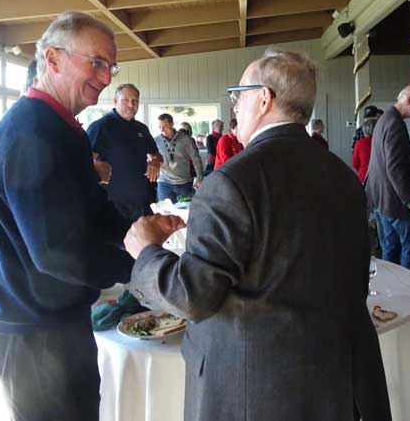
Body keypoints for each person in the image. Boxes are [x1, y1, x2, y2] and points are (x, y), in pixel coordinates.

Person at [125, 50, 391, 421]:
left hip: (258, 389)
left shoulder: (232, 181)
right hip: (340, 380)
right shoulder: (342, 175)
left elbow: (193, 296)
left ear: (264, 98)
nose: (235, 105)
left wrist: (146, 251)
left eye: (239, 95)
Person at [0, 12, 135, 421]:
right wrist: (139, 267)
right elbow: (57, 252)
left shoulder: (63, 128)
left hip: (58, 314)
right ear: (52, 58)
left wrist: (138, 231)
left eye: (110, 67)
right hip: (33, 328)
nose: (105, 78)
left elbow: (91, 210)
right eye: (96, 63)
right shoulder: (30, 133)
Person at [366, 85, 410, 275]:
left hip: (380, 200)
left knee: (389, 248)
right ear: (408, 100)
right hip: (395, 202)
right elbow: (395, 167)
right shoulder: (394, 123)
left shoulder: (384, 118)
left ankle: (391, 293)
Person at [87, 83, 162, 222]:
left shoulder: (141, 128)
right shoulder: (101, 127)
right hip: (114, 207)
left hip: (143, 204)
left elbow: (157, 155)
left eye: (135, 101)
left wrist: (155, 162)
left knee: (146, 243)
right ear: (115, 101)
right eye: (125, 100)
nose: (131, 105)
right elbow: (83, 164)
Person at [155, 113, 203, 202]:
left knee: (183, 213)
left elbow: (196, 158)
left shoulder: (185, 139)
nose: (161, 129)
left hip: (184, 183)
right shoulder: (156, 141)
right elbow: (151, 159)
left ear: (172, 124)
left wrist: (200, 177)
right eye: (159, 127)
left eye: (164, 126)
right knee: (165, 213)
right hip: (164, 183)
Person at [352, 118, 376, 183]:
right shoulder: (382, 142)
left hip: (364, 177)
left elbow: (355, 164)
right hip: (380, 178)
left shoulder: (359, 143)